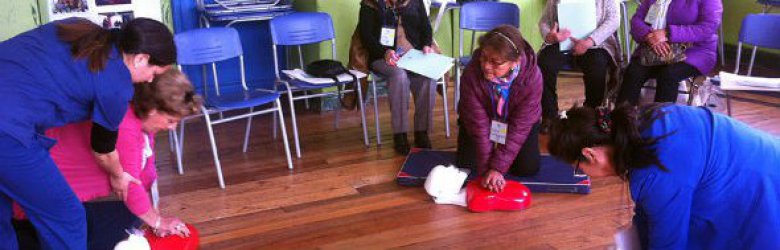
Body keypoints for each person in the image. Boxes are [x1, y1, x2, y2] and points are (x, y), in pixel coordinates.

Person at [0, 17, 175, 249]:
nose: (151, 79)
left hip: (11, 115)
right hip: (8, 130)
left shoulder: (80, 28)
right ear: (140, 58)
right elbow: (103, 151)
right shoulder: (116, 86)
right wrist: (118, 175)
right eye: (154, 71)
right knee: (68, 219)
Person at [548, 104, 780, 249]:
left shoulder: (655, 173)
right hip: (749, 155)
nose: (582, 174)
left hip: (757, 180)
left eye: (578, 167)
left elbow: (668, 240)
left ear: (590, 154)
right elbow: (653, 211)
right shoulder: (640, 126)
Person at [13, 69, 200, 249]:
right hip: (36, 189)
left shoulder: (143, 123)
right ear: (152, 109)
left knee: (129, 216)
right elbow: (131, 187)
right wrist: (157, 221)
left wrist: (154, 217)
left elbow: (146, 171)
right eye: (170, 120)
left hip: (59, 196)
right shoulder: (125, 125)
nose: (173, 128)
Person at [456, 25, 543, 193]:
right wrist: (486, 170)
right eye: (483, 58)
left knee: (527, 168)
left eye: (496, 62)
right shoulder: (471, 74)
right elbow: (479, 125)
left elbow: (520, 126)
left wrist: (497, 168)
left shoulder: (533, 77)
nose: (486, 66)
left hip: (516, 124)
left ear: (514, 62)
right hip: (481, 121)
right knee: (468, 167)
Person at [358, 0, 438, 155]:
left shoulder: (415, 2)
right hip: (382, 57)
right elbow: (366, 36)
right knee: (399, 75)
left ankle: (422, 131)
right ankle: (399, 134)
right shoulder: (370, 4)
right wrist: (384, 52)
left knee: (428, 77)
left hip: (412, 55)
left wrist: (426, 45)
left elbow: (426, 27)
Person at [616, 0, 722, 105]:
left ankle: (662, 119)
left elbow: (707, 28)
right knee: (633, 72)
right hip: (653, 49)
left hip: (694, 51)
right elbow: (636, 21)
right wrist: (649, 36)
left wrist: (667, 33)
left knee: (668, 74)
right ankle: (623, 118)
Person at [537, 0, 621, 128]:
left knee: (597, 65)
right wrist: (550, 36)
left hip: (595, 44)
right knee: (544, 62)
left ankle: (589, 116)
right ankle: (550, 116)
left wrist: (590, 41)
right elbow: (544, 21)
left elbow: (613, 19)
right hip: (562, 43)